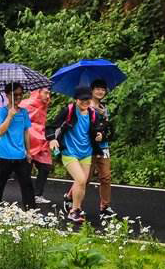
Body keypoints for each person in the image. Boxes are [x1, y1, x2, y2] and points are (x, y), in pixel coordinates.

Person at [46, 86, 103, 223]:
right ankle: (74, 211)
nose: (85, 102)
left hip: (86, 152)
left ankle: (76, 209)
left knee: (83, 183)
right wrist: (52, 139)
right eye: (82, 99)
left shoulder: (93, 113)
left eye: (88, 99)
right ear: (76, 99)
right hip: (69, 151)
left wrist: (100, 135)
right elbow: (51, 126)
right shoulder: (69, 110)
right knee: (81, 179)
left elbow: (96, 130)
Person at [0, 83, 36, 209]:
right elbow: (0, 131)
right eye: (15, 94)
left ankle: (31, 212)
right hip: (4, 154)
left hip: (21, 154)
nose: (18, 97)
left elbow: (26, 132)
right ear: (7, 95)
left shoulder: (24, 112)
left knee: (27, 185)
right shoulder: (2, 112)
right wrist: (9, 116)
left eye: (21, 94)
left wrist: (28, 151)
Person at [19, 87, 53, 203]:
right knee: (25, 168)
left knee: (45, 166)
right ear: (38, 93)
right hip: (29, 139)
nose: (48, 96)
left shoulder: (44, 104)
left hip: (41, 139)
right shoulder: (25, 104)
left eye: (49, 93)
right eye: (45, 93)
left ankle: (37, 194)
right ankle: (28, 196)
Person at [89, 80, 117, 218]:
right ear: (92, 90)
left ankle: (105, 206)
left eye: (103, 89)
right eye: (97, 89)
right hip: (88, 146)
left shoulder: (105, 108)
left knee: (106, 177)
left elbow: (109, 128)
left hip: (103, 146)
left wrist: (103, 133)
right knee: (85, 178)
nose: (100, 92)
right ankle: (70, 197)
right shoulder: (84, 105)